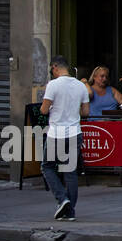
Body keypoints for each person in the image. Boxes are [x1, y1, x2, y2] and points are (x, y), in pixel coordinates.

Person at [41, 55, 88, 221]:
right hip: (75, 132)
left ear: (55, 67)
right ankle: (70, 211)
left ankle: (62, 199)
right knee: (70, 172)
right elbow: (86, 112)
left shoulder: (53, 85)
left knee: (47, 167)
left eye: (51, 69)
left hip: (56, 134)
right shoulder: (81, 86)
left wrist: (53, 107)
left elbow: (44, 110)